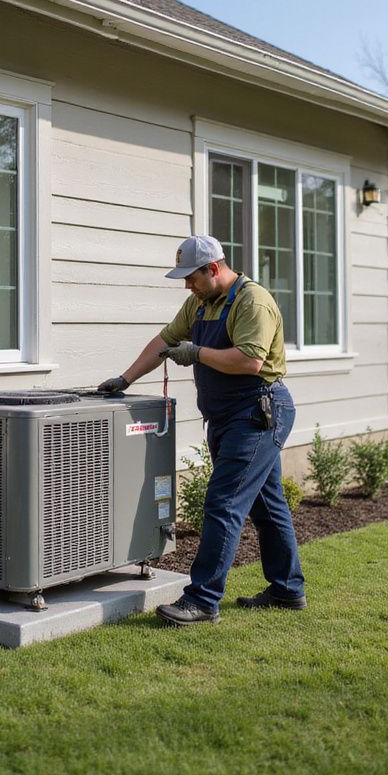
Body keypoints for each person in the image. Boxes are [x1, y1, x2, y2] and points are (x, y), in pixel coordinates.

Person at [98, 234, 306, 625]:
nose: (186, 285)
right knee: (267, 505)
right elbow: (164, 340)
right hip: (226, 415)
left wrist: (196, 353)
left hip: (259, 413)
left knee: (223, 503)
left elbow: (249, 362)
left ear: (213, 268)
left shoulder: (252, 302)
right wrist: (125, 379)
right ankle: (287, 589)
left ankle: (202, 600)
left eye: (191, 276)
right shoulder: (199, 304)